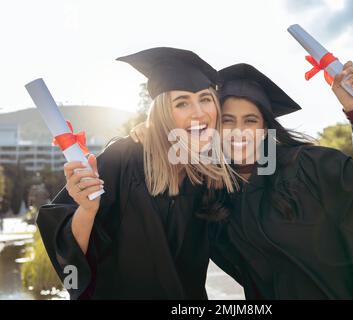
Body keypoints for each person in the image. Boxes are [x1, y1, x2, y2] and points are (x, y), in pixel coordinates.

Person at [208, 62, 353, 299]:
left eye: (250, 120)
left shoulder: (312, 167)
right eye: (227, 120)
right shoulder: (217, 196)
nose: (239, 131)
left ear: (266, 127)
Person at [37, 47, 236, 299]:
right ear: (163, 112)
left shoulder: (213, 173)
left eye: (205, 99)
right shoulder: (124, 157)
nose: (198, 112)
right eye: (182, 102)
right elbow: (67, 249)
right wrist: (86, 211)